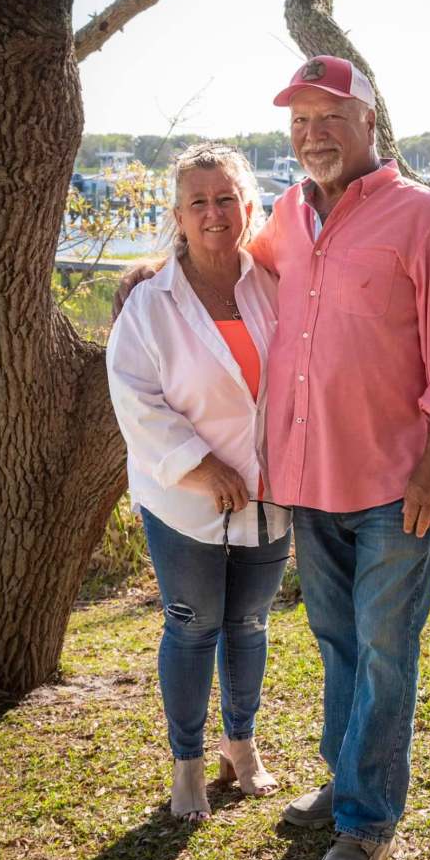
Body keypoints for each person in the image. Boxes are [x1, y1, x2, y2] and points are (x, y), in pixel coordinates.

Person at [114, 55, 430, 860]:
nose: (313, 135)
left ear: (368, 122)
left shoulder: (426, 218)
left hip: (398, 485)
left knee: (384, 650)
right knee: (338, 642)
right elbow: (224, 253)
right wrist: (156, 267)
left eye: (330, 118)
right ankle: (345, 780)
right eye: (300, 123)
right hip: (312, 485)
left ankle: (367, 823)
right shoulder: (287, 216)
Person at [106, 142, 292, 823]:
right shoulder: (150, 302)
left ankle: (240, 746)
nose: (214, 213)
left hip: (268, 495)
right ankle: (187, 764)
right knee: (192, 628)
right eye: (198, 202)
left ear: (248, 205)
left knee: (248, 624)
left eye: (226, 199)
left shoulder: (273, 284)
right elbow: (135, 398)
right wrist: (201, 465)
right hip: (183, 500)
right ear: (178, 216)